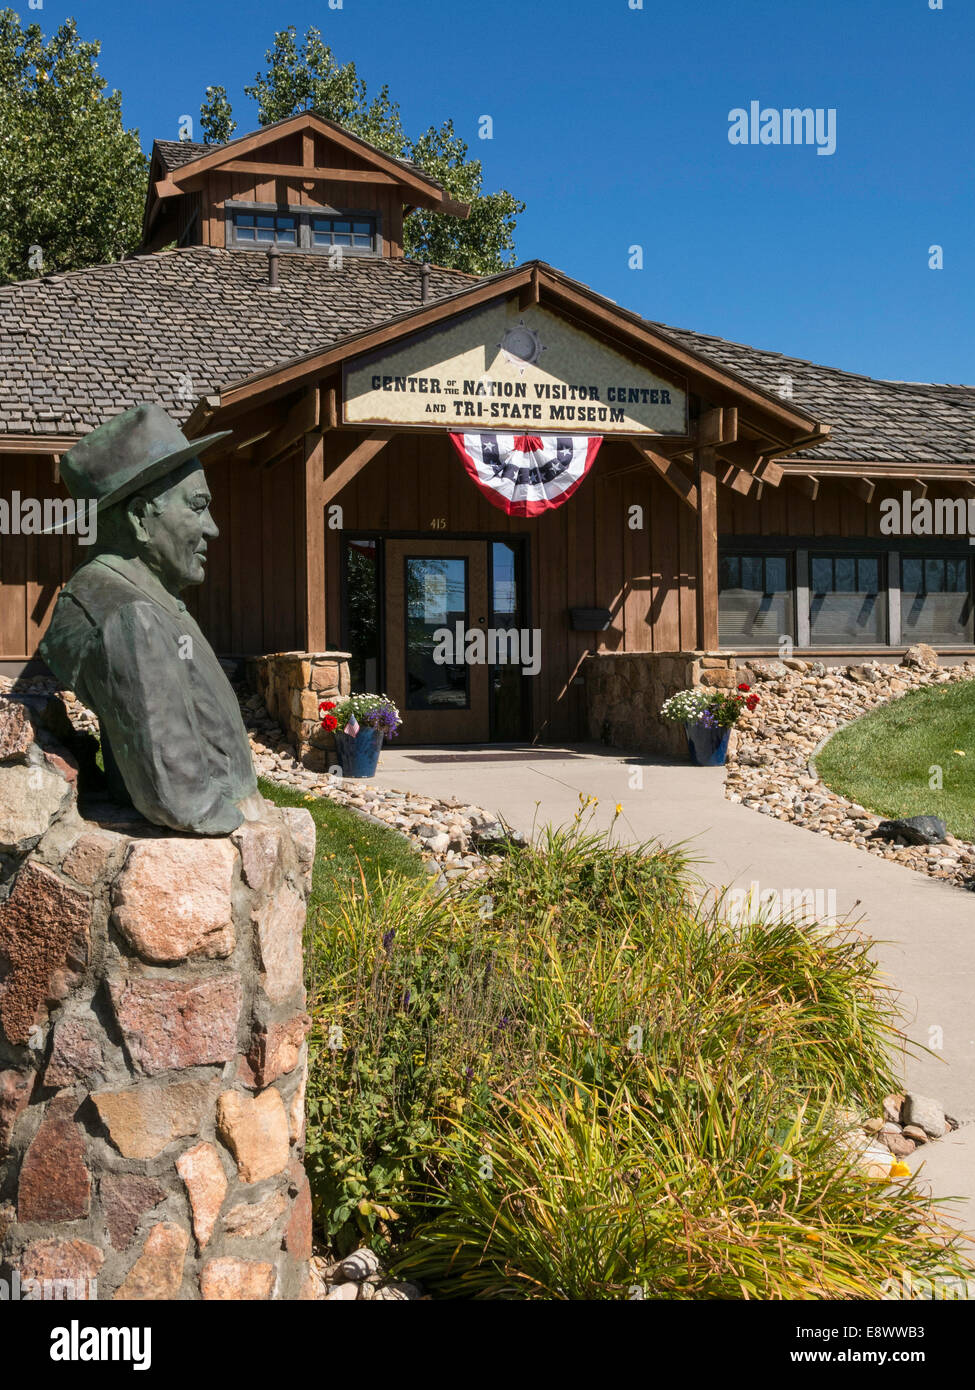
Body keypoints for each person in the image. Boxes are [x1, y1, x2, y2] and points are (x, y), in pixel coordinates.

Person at [40, 403, 259, 834]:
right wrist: (240, 824)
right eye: (198, 507)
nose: (212, 528)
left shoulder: (154, 600)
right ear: (140, 519)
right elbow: (181, 796)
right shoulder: (131, 619)